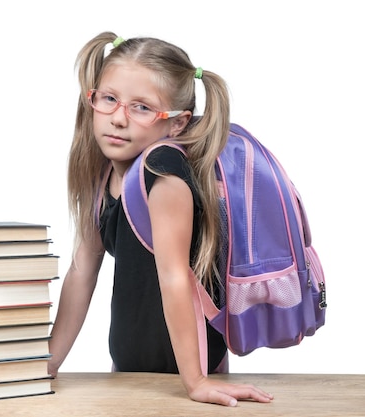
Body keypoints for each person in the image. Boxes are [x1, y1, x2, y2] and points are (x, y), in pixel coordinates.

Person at [48, 31, 274, 407]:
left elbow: (174, 277)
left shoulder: (163, 171)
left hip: (185, 373)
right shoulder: (102, 173)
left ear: (176, 123)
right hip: (130, 368)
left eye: (141, 107)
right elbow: (81, 271)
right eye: (109, 99)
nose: (118, 119)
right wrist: (48, 364)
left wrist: (196, 382)